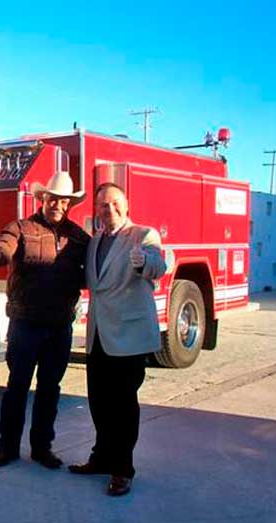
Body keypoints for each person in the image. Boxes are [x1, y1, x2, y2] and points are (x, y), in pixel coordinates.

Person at [0, 172, 90, 469]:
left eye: (63, 200)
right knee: (17, 386)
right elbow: (2, 247)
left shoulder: (80, 238)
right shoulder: (20, 228)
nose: (57, 204)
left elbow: (97, 266)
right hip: (24, 324)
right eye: (52, 198)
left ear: (69, 204)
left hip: (59, 327)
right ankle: (7, 448)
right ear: (43, 199)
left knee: (49, 389)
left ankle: (42, 448)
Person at [68, 182, 167, 496]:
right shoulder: (96, 240)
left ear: (126, 205)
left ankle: (123, 469)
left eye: (113, 203)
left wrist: (144, 264)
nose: (108, 209)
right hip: (99, 332)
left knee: (123, 405)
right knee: (99, 401)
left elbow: (158, 264)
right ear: (96, 211)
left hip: (129, 334)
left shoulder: (142, 235)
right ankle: (101, 458)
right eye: (102, 205)